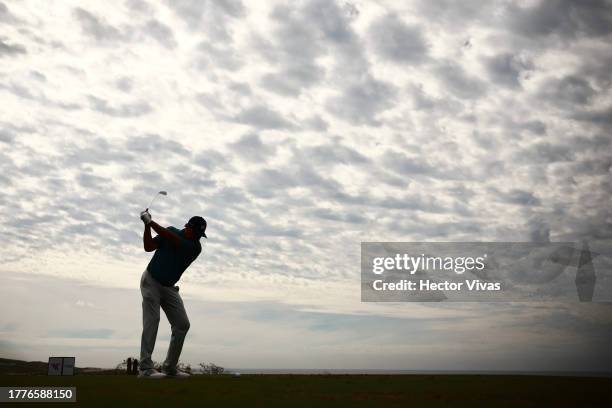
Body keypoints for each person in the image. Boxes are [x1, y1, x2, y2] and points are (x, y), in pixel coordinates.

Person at [138, 210, 207, 379]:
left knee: (182, 324)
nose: (198, 237)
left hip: (169, 287)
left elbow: (173, 239)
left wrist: (150, 222)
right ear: (187, 227)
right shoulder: (171, 231)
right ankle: (145, 369)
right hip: (151, 281)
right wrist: (147, 226)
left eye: (200, 234)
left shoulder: (195, 247)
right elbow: (148, 247)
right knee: (152, 320)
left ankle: (169, 368)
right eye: (196, 232)